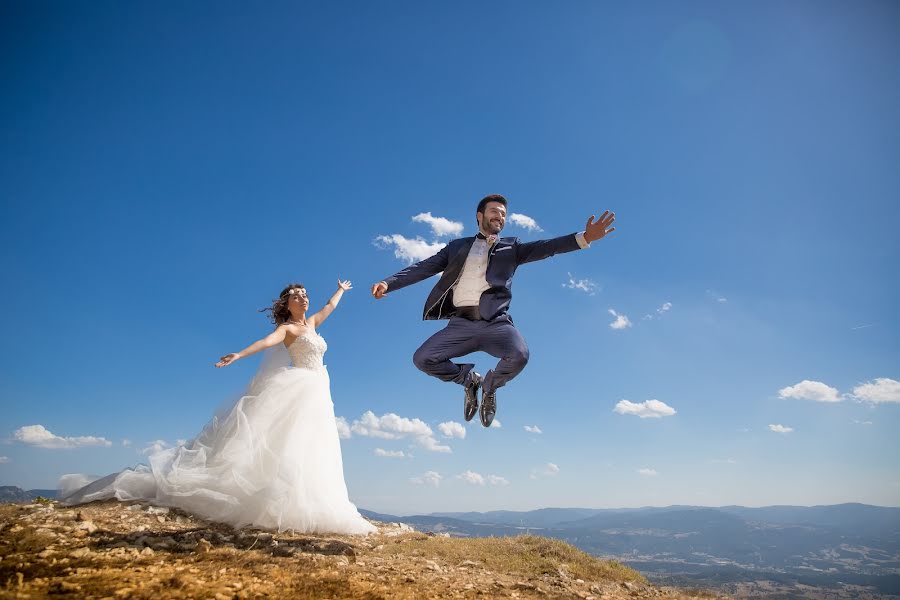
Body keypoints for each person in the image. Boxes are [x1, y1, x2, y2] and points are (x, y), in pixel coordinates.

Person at [59, 280, 375, 535]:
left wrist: (340, 291)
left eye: (304, 294)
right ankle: (284, 503)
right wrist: (237, 354)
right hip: (301, 386)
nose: (303, 297)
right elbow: (265, 343)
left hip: (319, 386)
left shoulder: (314, 323)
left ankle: (316, 501)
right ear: (286, 304)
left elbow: (330, 306)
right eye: (296, 295)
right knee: (291, 442)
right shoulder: (288, 330)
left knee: (316, 445)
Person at [371, 194, 615, 427]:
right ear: (480, 216)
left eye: (503, 214)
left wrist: (584, 238)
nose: (500, 216)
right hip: (461, 324)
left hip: (496, 324)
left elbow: (547, 246)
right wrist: (389, 283)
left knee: (519, 355)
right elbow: (424, 267)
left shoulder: (513, 247)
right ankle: (470, 381)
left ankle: (489, 387)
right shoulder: (456, 247)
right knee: (422, 359)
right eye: (494, 211)